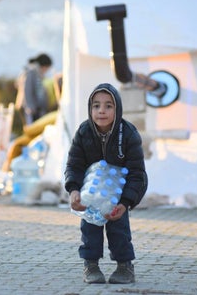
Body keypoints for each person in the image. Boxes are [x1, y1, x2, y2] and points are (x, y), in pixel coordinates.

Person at [65, 83, 148, 284]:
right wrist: (74, 190)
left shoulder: (128, 134)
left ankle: (124, 266)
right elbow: (74, 165)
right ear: (90, 108)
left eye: (108, 106)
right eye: (96, 105)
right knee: (89, 228)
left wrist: (126, 202)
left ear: (117, 109)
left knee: (119, 230)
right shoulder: (84, 131)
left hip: (117, 196)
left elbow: (138, 174)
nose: (101, 110)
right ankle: (91, 265)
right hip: (91, 195)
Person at [15, 53, 52, 125]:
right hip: (31, 110)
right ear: (44, 66)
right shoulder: (32, 72)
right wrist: (31, 107)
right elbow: (28, 90)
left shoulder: (30, 70)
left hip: (29, 108)